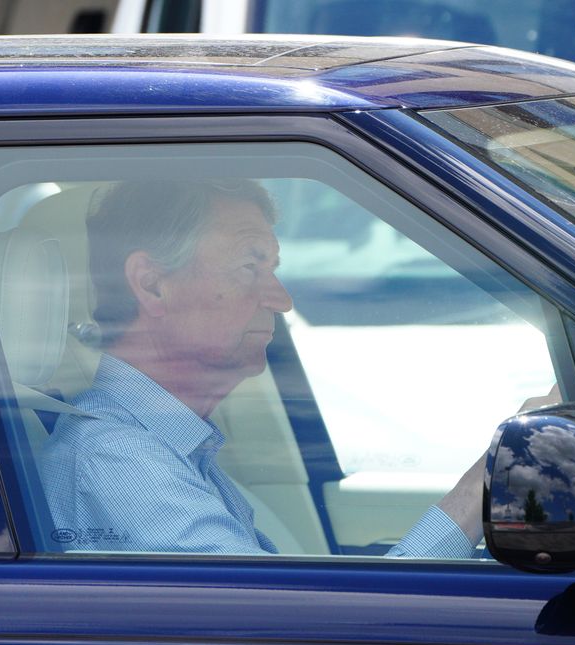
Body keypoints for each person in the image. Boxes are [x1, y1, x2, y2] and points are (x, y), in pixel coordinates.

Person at [40, 178, 483, 555]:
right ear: (153, 284)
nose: (282, 300)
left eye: (271, 268)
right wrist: (485, 490)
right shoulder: (118, 461)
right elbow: (309, 638)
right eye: (250, 266)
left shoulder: (165, 448)